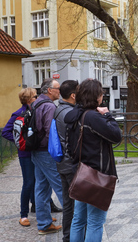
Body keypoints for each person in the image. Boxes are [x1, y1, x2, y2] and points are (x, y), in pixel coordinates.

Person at [65, 78, 122, 242]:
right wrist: (108, 115)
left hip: (81, 173)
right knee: (95, 222)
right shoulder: (92, 117)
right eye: (100, 93)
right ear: (95, 96)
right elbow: (116, 136)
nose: (102, 95)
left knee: (78, 220)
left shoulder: (76, 114)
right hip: (96, 176)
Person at [32, 78, 64, 235]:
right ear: (49, 90)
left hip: (35, 151)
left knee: (41, 188)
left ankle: (44, 224)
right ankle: (77, 222)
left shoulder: (36, 103)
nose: (60, 91)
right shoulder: (49, 106)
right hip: (46, 152)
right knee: (60, 185)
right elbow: (49, 132)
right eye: (57, 88)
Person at [1, 88, 38, 227]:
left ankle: (40, 211)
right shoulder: (18, 114)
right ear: (29, 99)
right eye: (35, 96)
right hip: (25, 155)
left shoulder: (34, 112)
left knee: (38, 182)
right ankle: (23, 215)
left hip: (36, 153)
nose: (37, 98)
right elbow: (5, 132)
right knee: (28, 183)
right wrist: (20, 142)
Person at [54, 80, 78, 242]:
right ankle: (72, 237)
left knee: (68, 203)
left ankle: (67, 237)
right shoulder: (69, 113)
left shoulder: (58, 109)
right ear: (73, 95)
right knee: (75, 205)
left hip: (62, 162)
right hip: (70, 164)